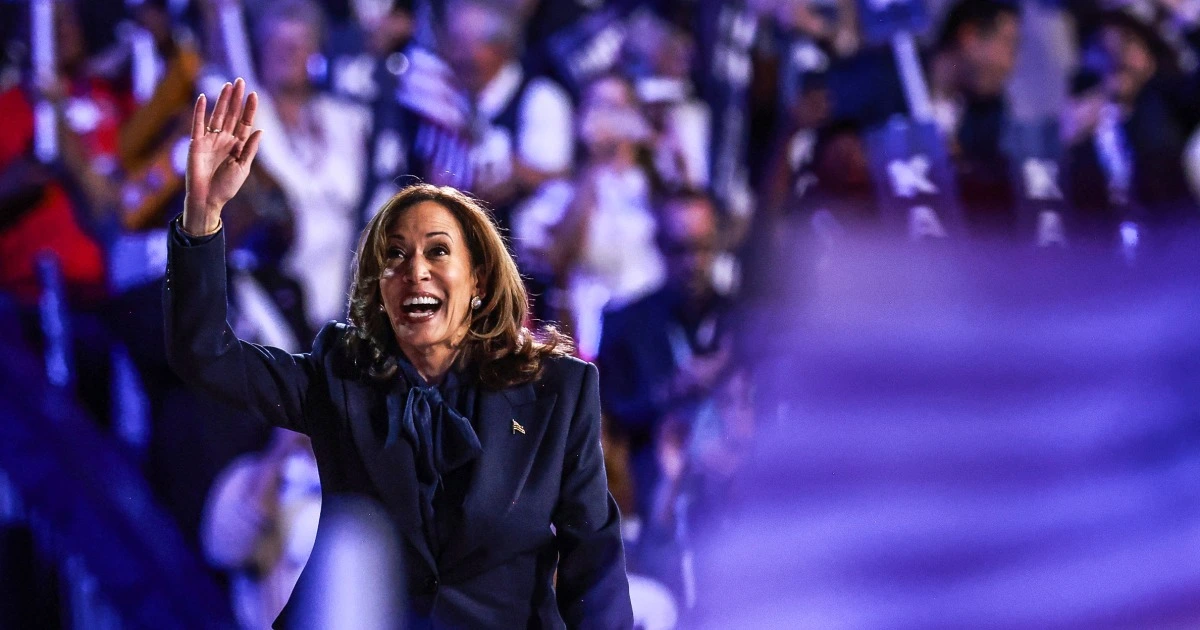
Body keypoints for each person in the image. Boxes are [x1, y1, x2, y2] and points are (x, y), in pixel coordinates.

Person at [166, 79, 633, 628]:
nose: (416, 271)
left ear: (479, 277)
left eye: (438, 251)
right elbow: (206, 355)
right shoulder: (342, 379)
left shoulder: (558, 391)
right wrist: (205, 213)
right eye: (395, 256)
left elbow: (593, 564)